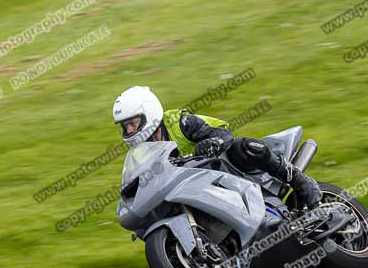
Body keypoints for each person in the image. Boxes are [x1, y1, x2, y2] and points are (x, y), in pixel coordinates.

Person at [113, 86, 322, 208]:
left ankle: (299, 179)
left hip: (226, 171)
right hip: (199, 191)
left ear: (149, 113)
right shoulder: (141, 155)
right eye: (125, 126)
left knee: (243, 146)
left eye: (133, 123)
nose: (129, 130)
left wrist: (213, 143)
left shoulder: (179, 122)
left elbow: (224, 133)